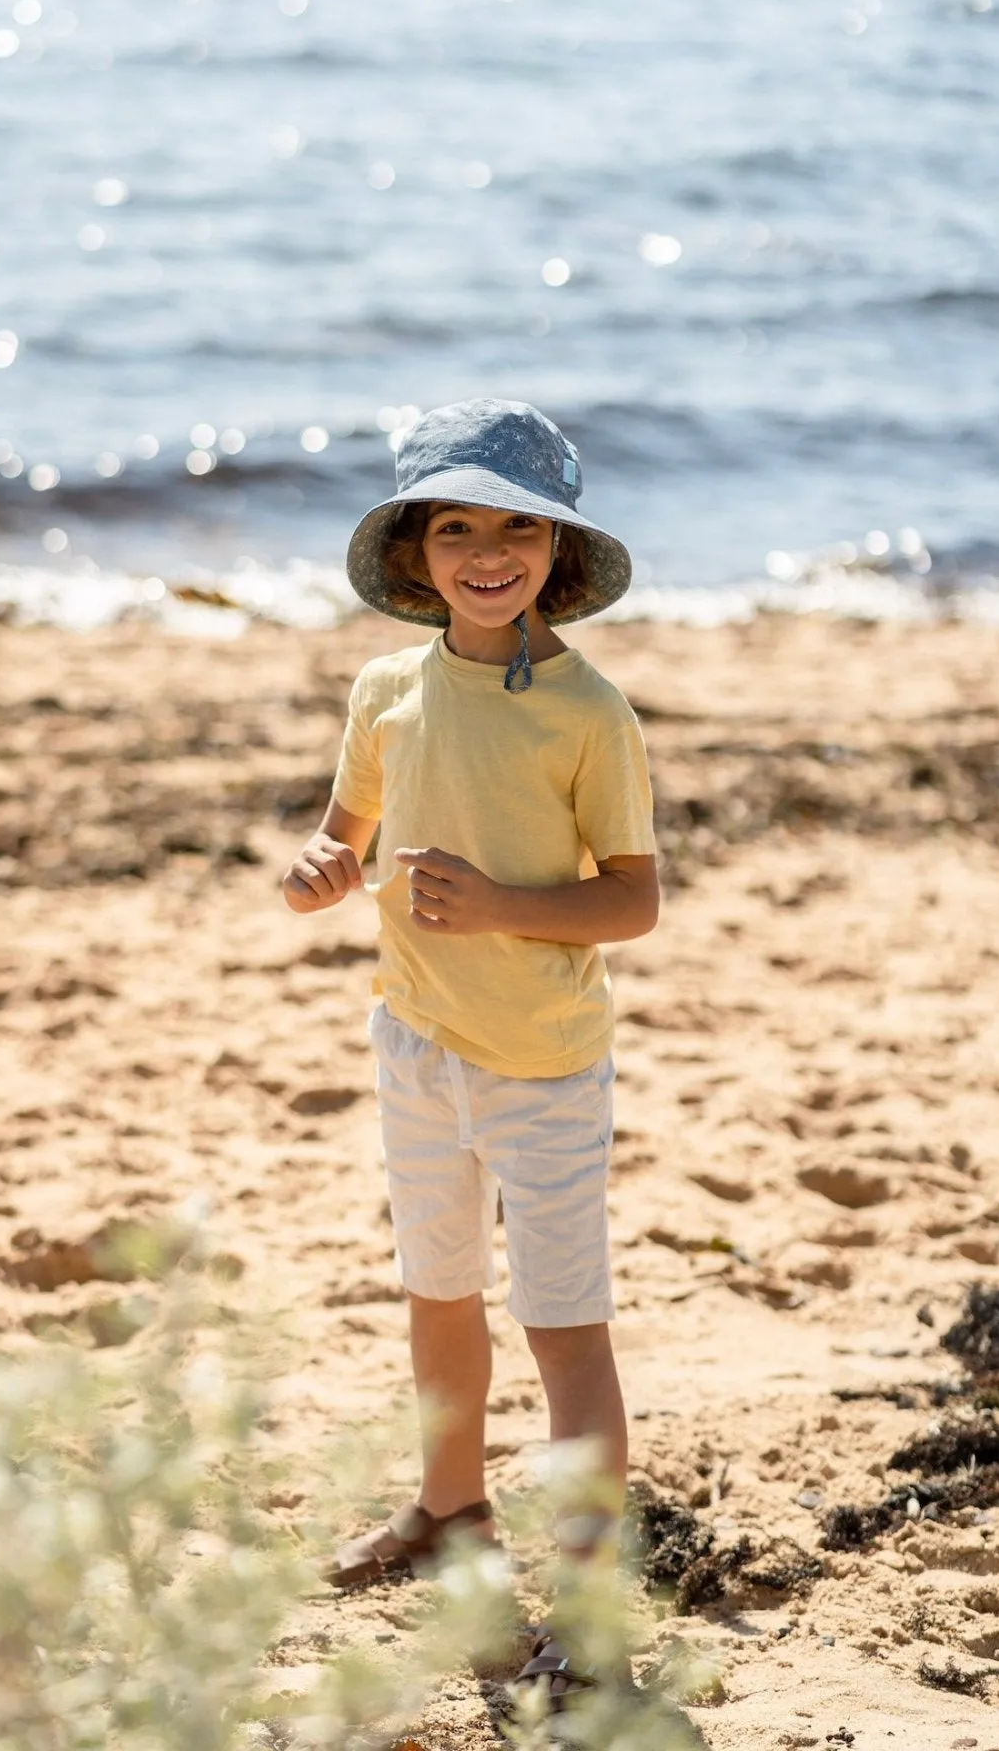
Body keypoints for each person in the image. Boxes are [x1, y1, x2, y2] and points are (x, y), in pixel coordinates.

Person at [281, 399, 659, 1710]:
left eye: (516, 529)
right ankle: (451, 1510)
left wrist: (501, 906)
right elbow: (351, 828)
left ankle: (594, 1610)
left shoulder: (588, 714)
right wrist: (325, 869)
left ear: (556, 551)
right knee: (436, 1295)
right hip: (415, 1040)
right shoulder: (386, 686)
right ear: (414, 551)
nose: (486, 552)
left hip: (544, 1064)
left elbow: (632, 901)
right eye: (457, 526)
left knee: (564, 1332)